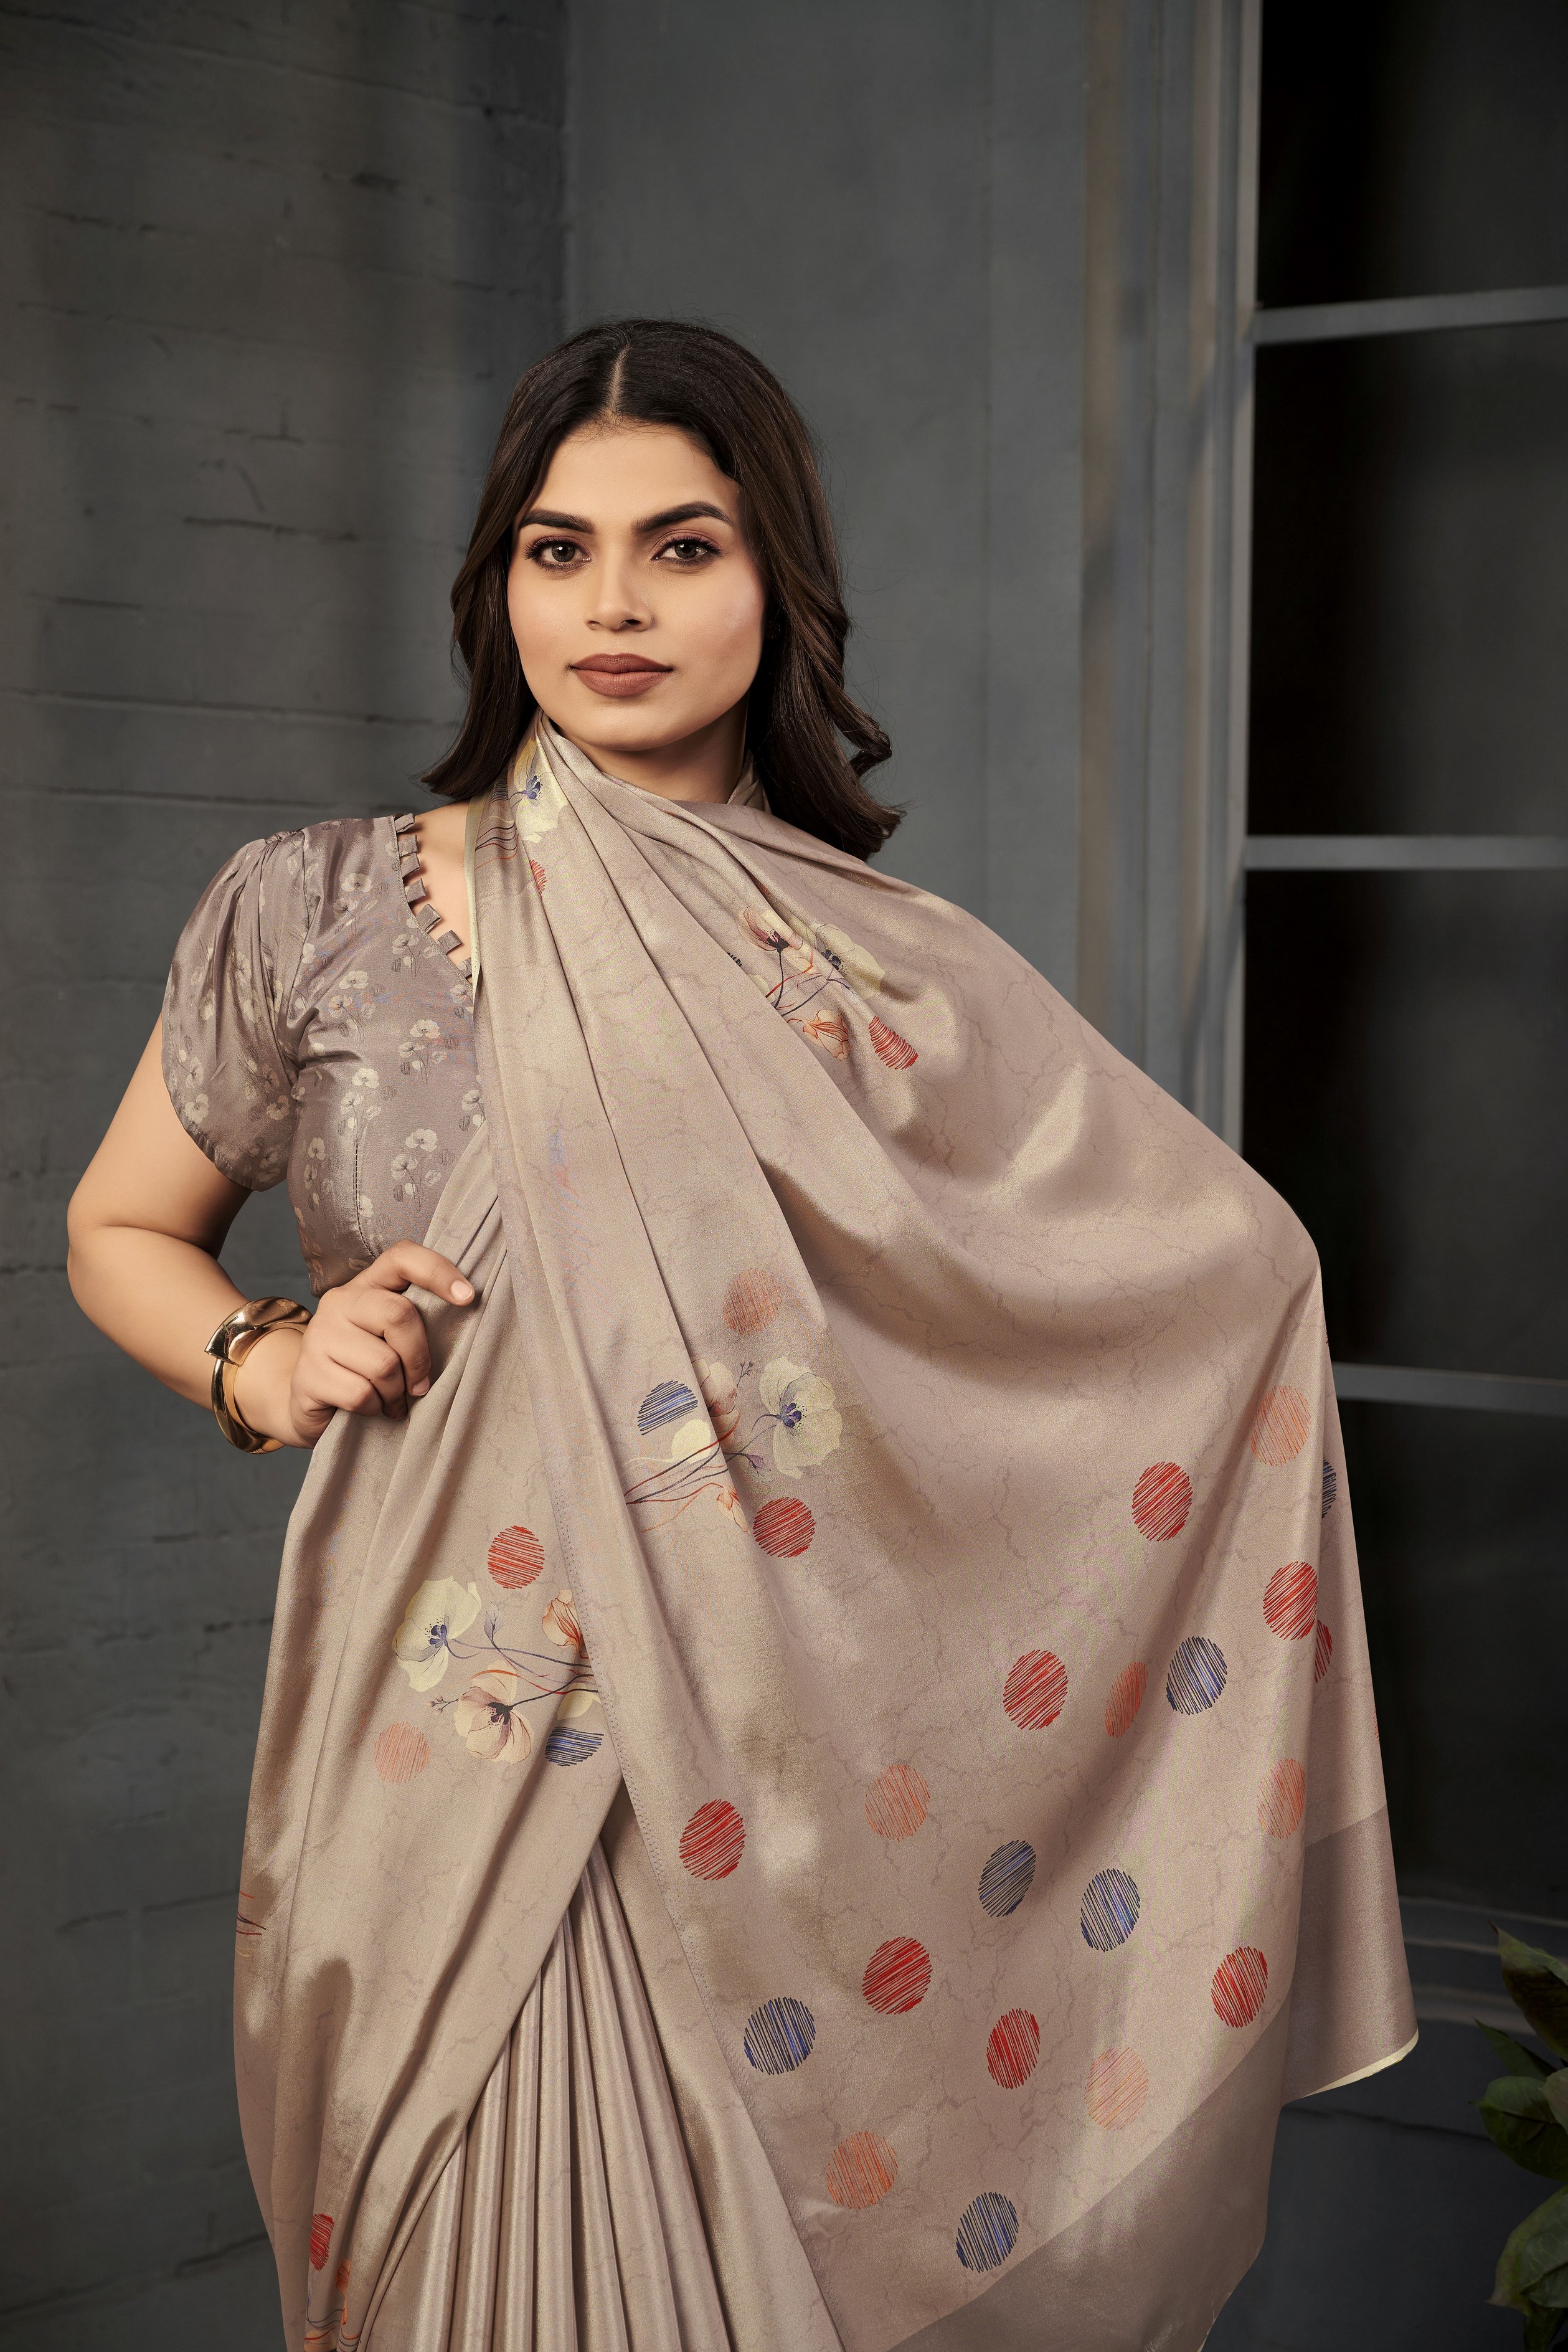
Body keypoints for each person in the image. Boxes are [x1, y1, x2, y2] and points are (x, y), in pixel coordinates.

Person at [67, 319, 1415, 2352]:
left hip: (766, 1809)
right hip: (436, 1755)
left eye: (680, 548)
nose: (612, 605)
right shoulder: (313, 908)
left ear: (775, 580)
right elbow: (119, 1229)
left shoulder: (875, 976)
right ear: (497, 588)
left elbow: (1203, 1282)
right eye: (558, 549)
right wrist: (264, 1358)